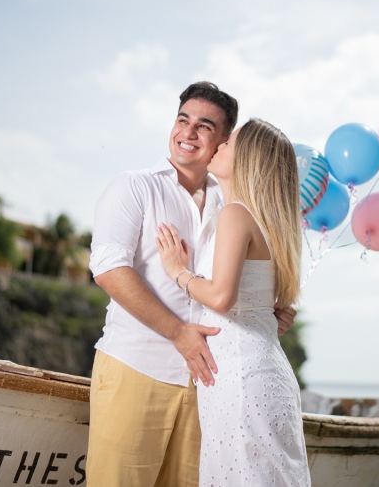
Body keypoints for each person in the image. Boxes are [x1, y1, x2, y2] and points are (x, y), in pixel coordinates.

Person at [86, 82, 297, 486]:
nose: (188, 132)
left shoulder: (232, 199)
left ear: (223, 142)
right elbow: (108, 269)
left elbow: (237, 279)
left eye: (204, 126)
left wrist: (263, 310)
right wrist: (178, 332)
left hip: (210, 384)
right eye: (183, 119)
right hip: (138, 367)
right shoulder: (135, 186)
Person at [156, 118, 312, 486]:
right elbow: (266, 305)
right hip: (260, 369)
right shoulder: (268, 222)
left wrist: (178, 270)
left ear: (248, 160)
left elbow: (223, 297)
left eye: (229, 143)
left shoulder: (236, 214)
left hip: (242, 378)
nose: (220, 145)